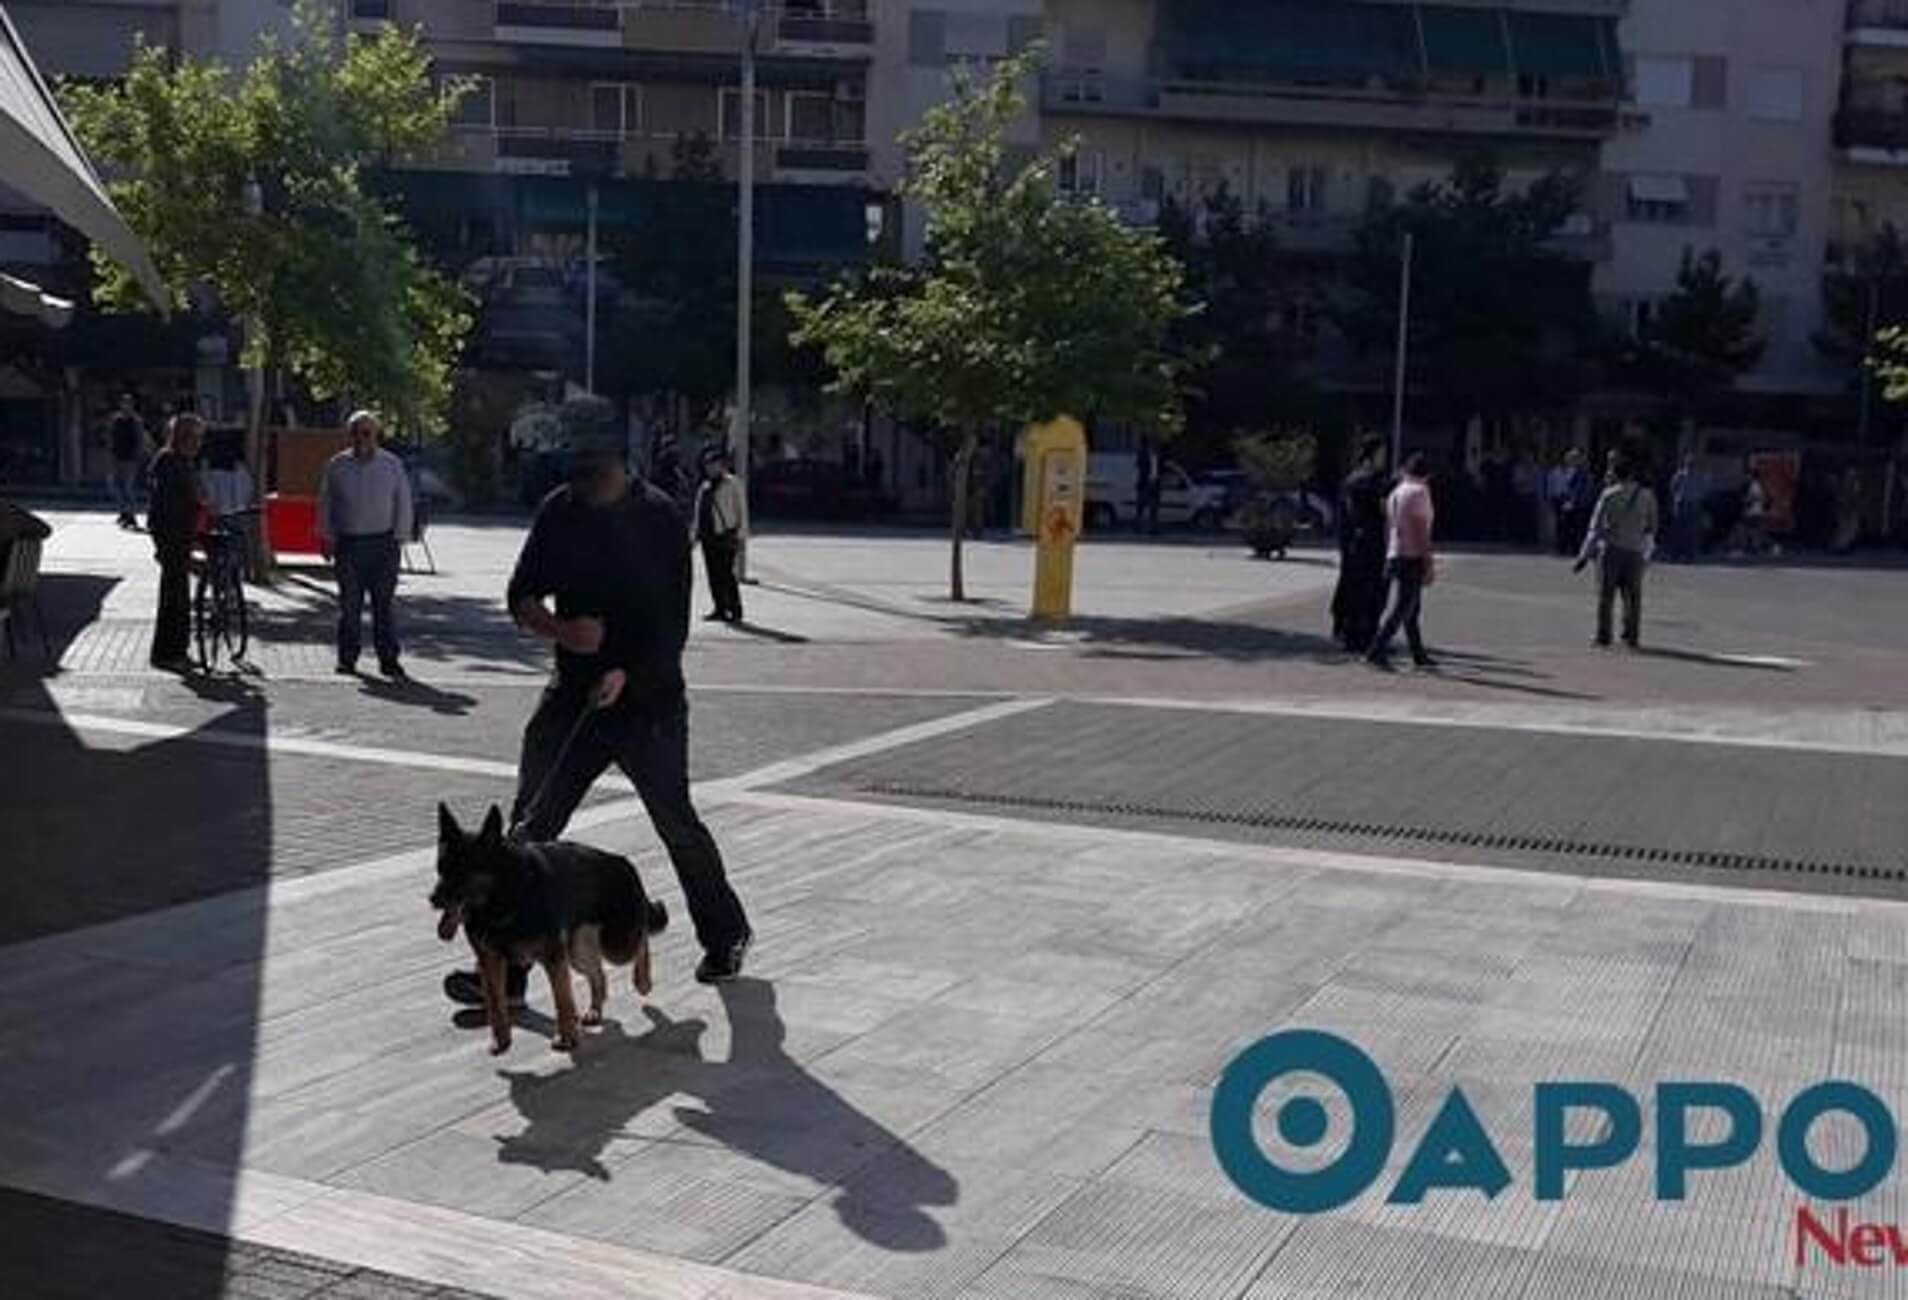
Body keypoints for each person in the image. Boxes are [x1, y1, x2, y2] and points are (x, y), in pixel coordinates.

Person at [442, 422, 753, 1014]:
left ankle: (725, 934)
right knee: (527, 832)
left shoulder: (661, 518)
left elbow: (672, 625)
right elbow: (521, 596)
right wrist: (562, 632)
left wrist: (626, 673)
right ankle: (508, 975)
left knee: (677, 823)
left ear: (622, 465)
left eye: (596, 476)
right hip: (573, 698)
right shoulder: (560, 512)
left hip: (650, 703)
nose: (585, 487)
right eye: (577, 477)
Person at [316, 410, 414, 680]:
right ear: (350, 435)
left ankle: (389, 660)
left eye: (367, 433)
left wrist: (400, 537)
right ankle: (347, 659)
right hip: (348, 545)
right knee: (349, 606)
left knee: (384, 606)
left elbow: (403, 501)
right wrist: (325, 536)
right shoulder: (337, 466)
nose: (362, 438)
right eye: (357, 433)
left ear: (376, 435)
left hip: (383, 544)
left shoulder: (392, 465)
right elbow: (326, 504)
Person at [1574, 447, 1658, 649]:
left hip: (1612, 549)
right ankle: (1632, 635)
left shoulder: (1609, 495)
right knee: (1633, 596)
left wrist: (1583, 556)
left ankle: (1604, 635)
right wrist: (1647, 552)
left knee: (1606, 595)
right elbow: (1652, 527)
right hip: (1636, 550)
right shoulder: (1647, 496)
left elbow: (1595, 527)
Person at [1365, 452, 1436, 671]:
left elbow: (1389, 526)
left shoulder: (1397, 491)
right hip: (1411, 554)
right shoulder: (1420, 492)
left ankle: (1418, 652)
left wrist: (1389, 550)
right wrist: (1428, 561)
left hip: (1396, 551)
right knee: (1403, 607)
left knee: (1411, 607)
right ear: (1427, 474)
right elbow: (1420, 528)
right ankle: (1376, 649)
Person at [146, 414, 205, 672]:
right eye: (194, 437)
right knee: (175, 599)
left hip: (178, 537)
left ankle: (173, 651)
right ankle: (169, 653)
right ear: (183, 438)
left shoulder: (179, 463)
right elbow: (166, 508)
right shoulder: (171, 464)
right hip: (173, 538)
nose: (198, 443)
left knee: (177, 596)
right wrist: (167, 543)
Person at [1330, 435, 1389, 652]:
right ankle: (1363, 636)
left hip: (1354, 544)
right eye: (1382, 454)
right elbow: (1380, 512)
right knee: (1369, 592)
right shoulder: (1369, 481)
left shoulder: (1352, 479)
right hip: (1368, 544)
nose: (1384, 458)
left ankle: (1349, 631)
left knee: (1353, 588)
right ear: (1371, 455)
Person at [694, 446, 745, 623]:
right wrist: (695, 535)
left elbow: (742, 510)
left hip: (726, 534)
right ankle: (720, 608)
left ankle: (736, 609)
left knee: (726, 574)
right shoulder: (705, 486)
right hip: (708, 535)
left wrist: (741, 534)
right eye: (708, 464)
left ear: (722, 465)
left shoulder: (732, 483)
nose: (710, 468)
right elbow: (698, 511)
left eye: (713, 464)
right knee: (713, 574)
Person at [107, 394, 148, 529]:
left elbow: (140, 439)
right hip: (116, 456)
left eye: (129, 403)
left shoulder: (136, 420)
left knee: (128, 488)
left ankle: (131, 515)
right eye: (124, 403)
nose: (126, 406)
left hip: (130, 458)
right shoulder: (116, 419)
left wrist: (139, 455)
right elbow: (110, 436)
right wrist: (110, 453)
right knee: (115, 486)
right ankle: (123, 512)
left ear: (132, 405)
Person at [1548, 449, 1591, 557]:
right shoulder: (1561, 470)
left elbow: (1580, 488)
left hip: (1576, 503)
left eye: (1574, 458)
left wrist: (1573, 501)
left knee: (1575, 527)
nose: (1571, 460)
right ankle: (1561, 547)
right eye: (1570, 458)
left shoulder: (1582, 473)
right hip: (1561, 500)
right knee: (1562, 525)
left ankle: (1574, 548)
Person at [1667, 454, 1708, 562]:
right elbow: (1672, 488)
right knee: (1679, 530)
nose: (1690, 466)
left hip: (1692, 504)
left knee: (1690, 531)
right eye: (1689, 464)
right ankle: (1676, 554)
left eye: (1692, 464)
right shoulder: (1679, 475)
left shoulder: (1699, 476)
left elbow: (1704, 490)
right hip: (1683, 504)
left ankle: (1689, 555)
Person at [1134, 439, 1160, 535]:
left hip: (1154, 483)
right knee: (1141, 507)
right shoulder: (1143, 454)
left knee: (1154, 507)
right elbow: (1138, 466)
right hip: (1145, 483)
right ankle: (1138, 527)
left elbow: (1158, 469)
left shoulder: (1156, 456)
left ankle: (1153, 528)